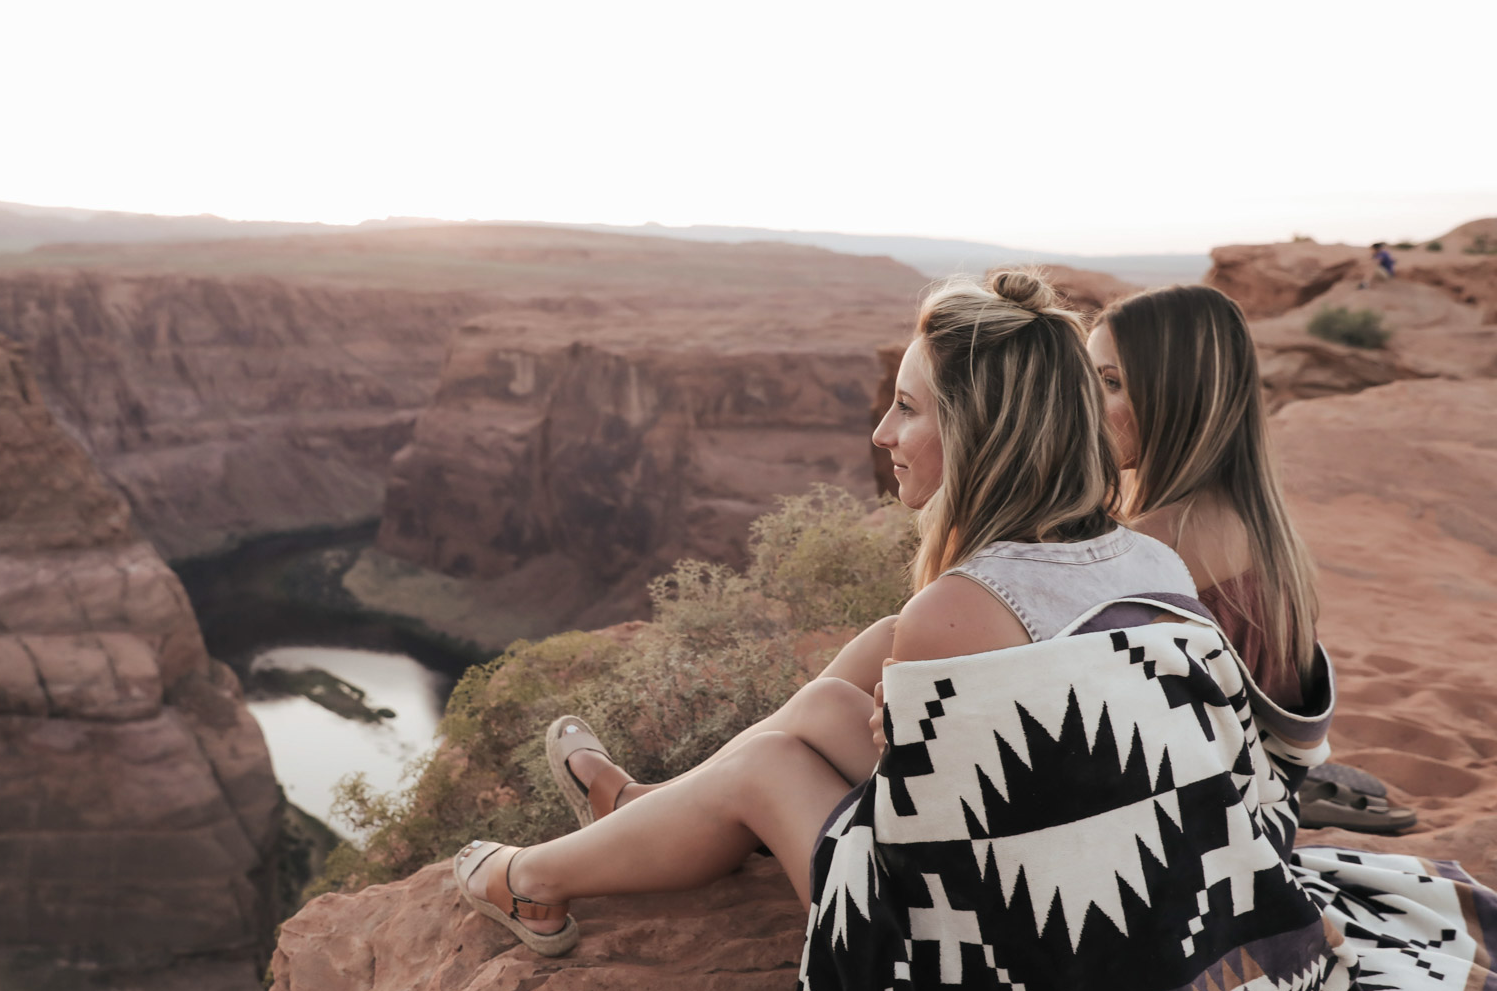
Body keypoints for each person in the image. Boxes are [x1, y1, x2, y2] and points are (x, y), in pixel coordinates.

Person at [456, 267, 1193, 954]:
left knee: (767, 766)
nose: (882, 434)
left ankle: (531, 882)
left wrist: (857, 755)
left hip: (1000, 966)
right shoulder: (1156, 565)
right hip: (1124, 908)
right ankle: (641, 808)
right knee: (841, 683)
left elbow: (929, 837)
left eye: (907, 409)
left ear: (981, 432)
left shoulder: (965, 608)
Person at [1090, 283, 1413, 832]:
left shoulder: (1154, 547)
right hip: (1263, 789)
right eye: (1088, 380)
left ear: (1177, 397)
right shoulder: (1257, 524)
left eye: (1112, 383)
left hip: (1203, 824)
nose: (1089, 403)